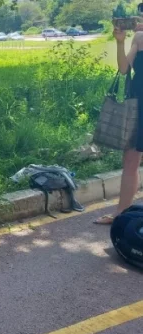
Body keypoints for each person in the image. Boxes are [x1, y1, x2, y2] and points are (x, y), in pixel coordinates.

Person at [94, 25, 143, 225]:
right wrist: (121, 41)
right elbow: (124, 69)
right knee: (130, 161)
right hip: (138, 106)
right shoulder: (139, 37)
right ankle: (120, 214)